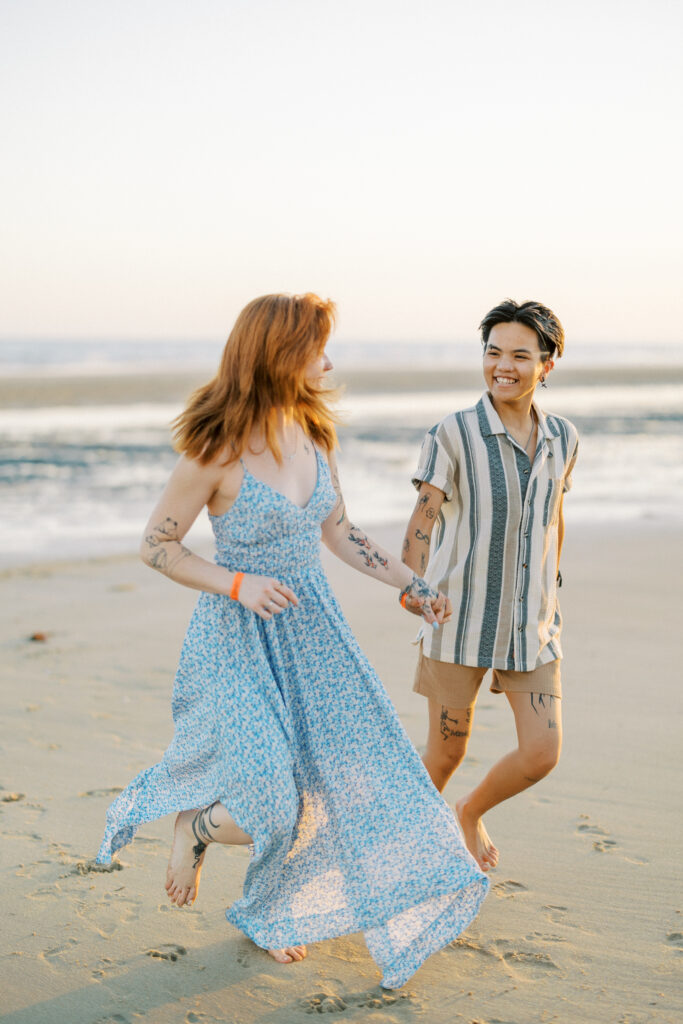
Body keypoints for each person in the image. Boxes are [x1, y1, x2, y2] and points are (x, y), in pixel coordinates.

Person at [96, 292, 488, 989]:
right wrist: (235, 582)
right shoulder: (212, 453)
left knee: (333, 782)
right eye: (317, 349)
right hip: (237, 642)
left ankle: (271, 910)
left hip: (315, 637)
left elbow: (340, 533)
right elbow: (156, 546)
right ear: (280, 355)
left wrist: (409, 584)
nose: (327, 362)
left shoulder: (313, 437)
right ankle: (193, 828)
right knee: (268, 804)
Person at [402, 299, 578, 873]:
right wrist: (412, 583)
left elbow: (554, 517)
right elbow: (424, 518)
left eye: (520, 356)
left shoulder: (565, 440)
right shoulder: (453, 433)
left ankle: (468, 813)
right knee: (445, 752)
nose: (503, 366)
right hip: (460, 620)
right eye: (493, 352)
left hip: (533, 627)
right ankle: (385, 855)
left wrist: (551, 587)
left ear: (546, 365)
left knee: (541, 752)